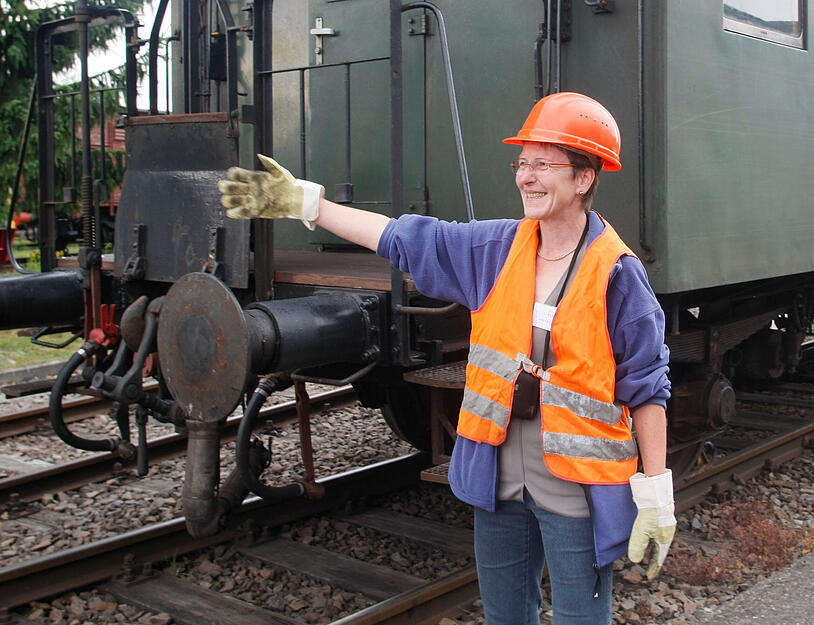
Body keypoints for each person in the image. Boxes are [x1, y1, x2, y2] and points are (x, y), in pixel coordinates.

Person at [219, 91, 674, 625]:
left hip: (575, 488)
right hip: (498, 480)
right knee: (506, 616)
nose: (526, 177)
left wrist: (656, 492)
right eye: (522, 163)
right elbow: (404, 238)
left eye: (542, 164)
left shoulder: (618, 273)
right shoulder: (497, 249)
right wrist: (308, 204)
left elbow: (646, 388)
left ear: (584, 177)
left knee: (580, 618)